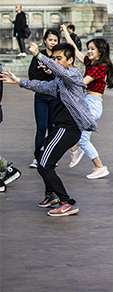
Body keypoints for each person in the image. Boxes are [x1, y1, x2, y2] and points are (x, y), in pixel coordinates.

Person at [1, 42, 98, 216]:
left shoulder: (74, 75)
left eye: (59, 59)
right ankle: (50, 194)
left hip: (69, 128)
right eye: (53, 59)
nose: (55, 62)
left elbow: (59, 70)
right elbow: (43, 87)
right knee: (40, 155)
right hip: (60, 128)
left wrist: (39, 55)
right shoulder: (60, 81)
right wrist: (18, 81)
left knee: (45, 165)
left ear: (70, 60)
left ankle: (67, 202)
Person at [61, 25, 113, 179]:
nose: (89, 51)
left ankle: (99, 167)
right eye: (88, 48)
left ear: (100, 52)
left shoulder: (99, 68)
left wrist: (64, 74)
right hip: (87, 101)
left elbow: (82, 82)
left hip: (92, 104)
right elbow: (74, 50)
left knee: (83, 139)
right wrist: (65, 34)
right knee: (68, 121)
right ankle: (75, 150)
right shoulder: (91, 64)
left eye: (92, 49)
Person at [27, 28, 60, 168]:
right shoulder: (37, 56)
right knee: (40, 128)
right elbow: (32, 76)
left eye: (55, 40)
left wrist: (51, 72)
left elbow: (61, 75)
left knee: (52, 127)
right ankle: (37, 157)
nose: (52, 43)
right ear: (45, 41)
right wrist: (45, 74)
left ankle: (50, 156)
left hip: (54, 97)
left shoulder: (59, 56)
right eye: (50, 40)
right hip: (40, 96)